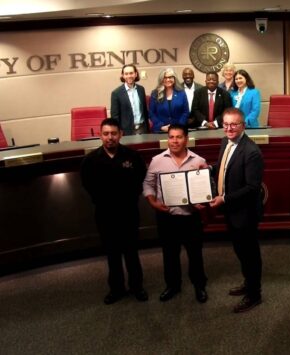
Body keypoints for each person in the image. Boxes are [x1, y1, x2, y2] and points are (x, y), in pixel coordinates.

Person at [80, 118, 148, 304]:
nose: (110, 138)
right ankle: (116, 289)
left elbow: (140, 180)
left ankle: (137, 287)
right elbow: (88, 184)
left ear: (121, 134)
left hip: (128, 213)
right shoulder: (91, 160)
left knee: (132, 253)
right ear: (100, 136)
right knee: (112, 254)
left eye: (114, 133)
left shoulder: (132, 157)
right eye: (106, 134)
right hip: (105, 215)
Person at [143, 123, 209, 303]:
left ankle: (199, 285)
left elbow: (206, 187)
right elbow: (148, 184)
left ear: (186, 139)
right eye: (171, 137)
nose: (174, 141)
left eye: (178, 137)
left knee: (195, 254)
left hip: (190, 217)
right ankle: (173, 285)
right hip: (166, 217)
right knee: (169, 254)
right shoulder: (157, 160)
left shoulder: (198, 161)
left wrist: (202, 201)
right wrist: (153, 202)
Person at [210, 108, 264, 313]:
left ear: (243, 125)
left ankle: (254, 294)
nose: (229, 128)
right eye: (225, 124)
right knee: (241, 251)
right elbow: (223, 166)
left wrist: (223, 198)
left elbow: (252, 189)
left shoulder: (252, 152)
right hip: (232, 211)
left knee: (250, 254)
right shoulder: (226, 142)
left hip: (245, 213)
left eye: (234, 124)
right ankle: (248, 284)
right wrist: (209, 169)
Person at [110, 64, 150, 135]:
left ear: (135, 74)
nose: (129, 76)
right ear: (123, 75)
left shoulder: (141, 89)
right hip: (126, 132)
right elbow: (115, 117)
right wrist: (118, 131)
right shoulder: (116, 93)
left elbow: (144, 110)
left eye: (131, 73)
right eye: (126, 74)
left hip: (143, 129)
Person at [149, 68, 189, 133]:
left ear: (174, 78)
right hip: (160, 130)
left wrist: (179, 126)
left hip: (179, 130)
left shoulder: (181, 93)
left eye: (170, 77)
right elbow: (151, 113)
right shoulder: (155, 93)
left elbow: (185, 112)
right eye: (165, 77)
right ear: (161, 79)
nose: (168, 79)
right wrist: (161, 126)